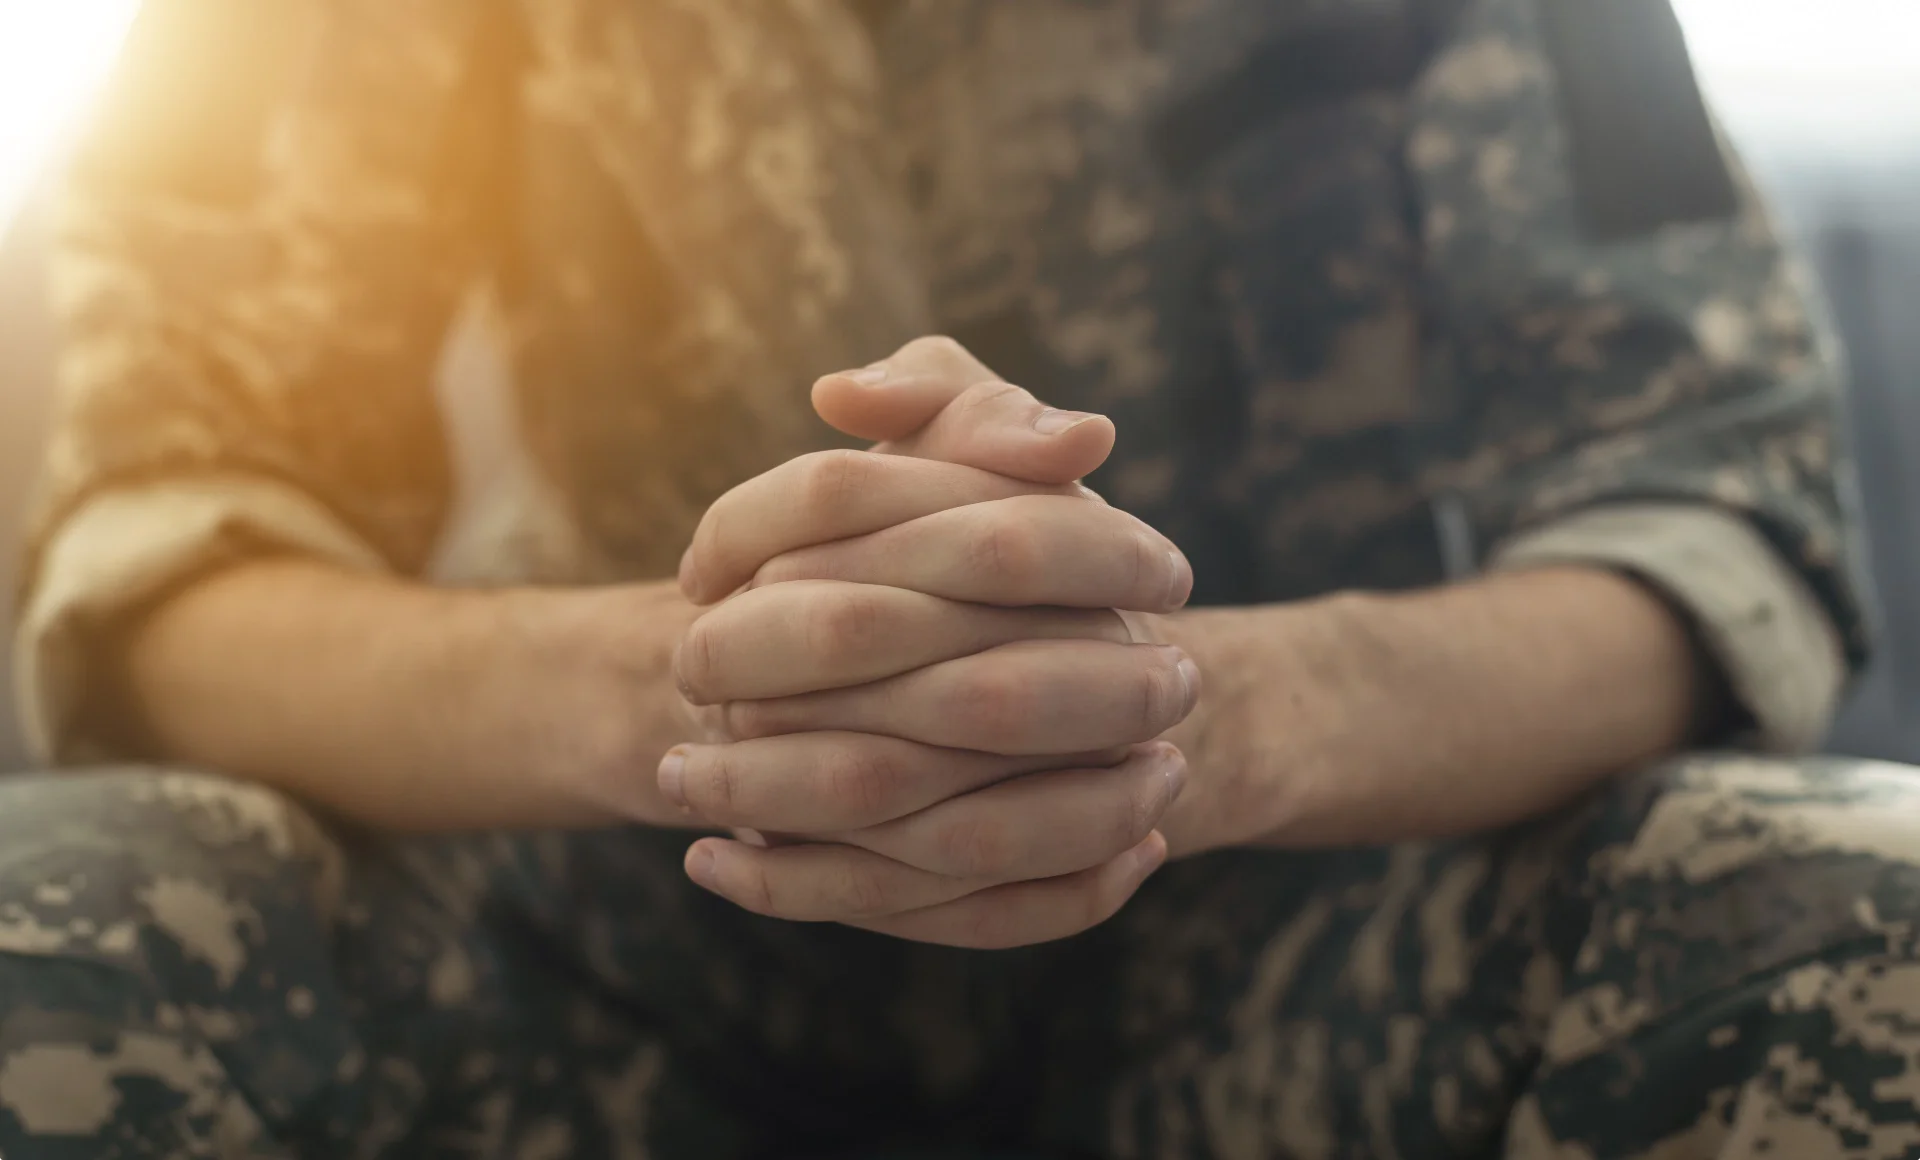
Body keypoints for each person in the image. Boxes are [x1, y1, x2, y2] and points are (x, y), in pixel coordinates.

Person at [5, 0, 1918, 1156]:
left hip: (1321, 946)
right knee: (51, 926)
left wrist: (1202, 718)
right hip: (593, 949)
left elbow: (1713, 515)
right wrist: (685, 698)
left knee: (1870, 921)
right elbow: (158, 551)